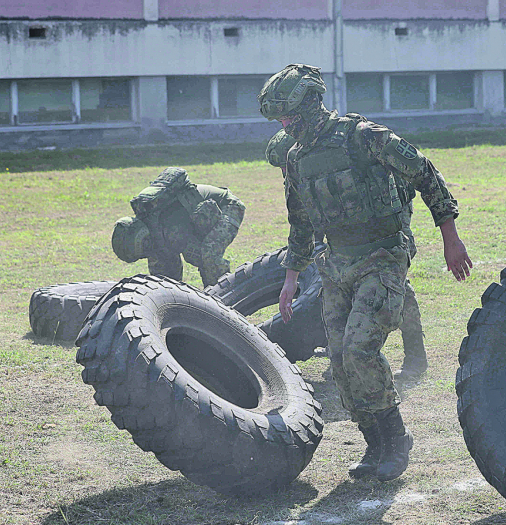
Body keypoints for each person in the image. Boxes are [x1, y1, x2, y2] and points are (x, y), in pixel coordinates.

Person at [259, 64, 472, 482]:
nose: (284, 125)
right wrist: (290, 280)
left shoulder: (363, 137)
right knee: (339, 361)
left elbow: (425, 173)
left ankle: (396, 441)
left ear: (308, 105)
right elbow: (300, 222)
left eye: (287, 116)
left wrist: (451, 238)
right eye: (278, 120)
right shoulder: (296, 158)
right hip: (335, 264)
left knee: (360, 348)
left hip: (382, 255)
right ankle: (375, 444)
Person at [267, 130, 429, 381]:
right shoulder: (306, 169)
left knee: (393, 279)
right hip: (350, 228)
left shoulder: (343, 161)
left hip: (388, 213)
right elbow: (312, 217)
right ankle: (341, 355)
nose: (286, 173)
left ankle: (414, 357)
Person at [111, 167, 245, 288]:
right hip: (198, 219)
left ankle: (226, 298)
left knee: (208, 254)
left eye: (144, 249)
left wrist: (212, 289)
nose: (146, 254)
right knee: (162, 276)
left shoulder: (168, 228)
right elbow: (165, 277)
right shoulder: (152, 228)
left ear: (142, 238)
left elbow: (203, 259)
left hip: (228, 206)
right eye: (141, 255)